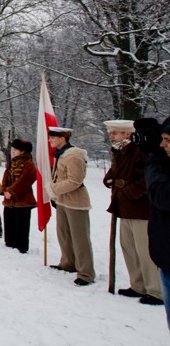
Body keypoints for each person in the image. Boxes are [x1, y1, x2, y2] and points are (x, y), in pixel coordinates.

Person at [103, 120, 163, 305]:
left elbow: (148, 179)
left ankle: (155, 290)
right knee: (129, 248)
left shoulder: (141, 151)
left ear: (127, 134)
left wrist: (126, 190)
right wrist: (110, 180)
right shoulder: (120, 152)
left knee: (144, 250)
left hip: (140, 209)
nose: (111, 136)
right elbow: (114, 174)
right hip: (124, 208)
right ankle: (137, 285)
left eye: (115, 133)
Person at [48, 126, 95, 286]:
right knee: (64, 234)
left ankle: (86, 272)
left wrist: (53, 188)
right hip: (62, 200)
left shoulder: (73, 155)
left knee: (79, 238)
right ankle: (68, 262)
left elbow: (75, 181)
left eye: (53, 138)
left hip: (75, 202)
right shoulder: (60, 154)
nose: (50, 141)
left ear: (63, 139)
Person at [142, 117, 170, 327]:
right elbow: (159, 194)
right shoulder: (159, 161)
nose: (162, 145)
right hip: (166, 251)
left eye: (167, 140)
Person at [0, 139, 37, 254]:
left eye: (16, 149)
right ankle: (10, 241)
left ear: (22, 151)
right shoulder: (13, 162)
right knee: (9, 220)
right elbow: (6, 175)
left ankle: (21, 245)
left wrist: (11, 191)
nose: (14, 151)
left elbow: (25, 180)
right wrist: (4, 189)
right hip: (9, 199)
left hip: (23, 199)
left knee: (22, 223)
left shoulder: (28, 163)